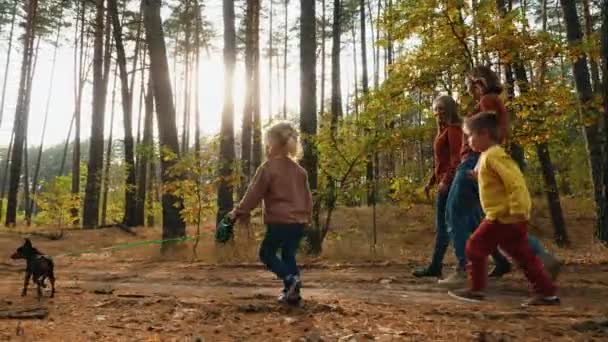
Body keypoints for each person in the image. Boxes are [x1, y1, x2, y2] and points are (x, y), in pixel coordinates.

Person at [440, 65, 561, 286]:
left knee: (454, 213)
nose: (469, 92)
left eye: (470, 87)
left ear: (479, 84)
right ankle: (542, 257)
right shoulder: (494, 101)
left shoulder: (487, 102)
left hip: (474, 160)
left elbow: (488, 131)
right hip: (481, 160)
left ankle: (463, 268)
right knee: (489, 221)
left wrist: (477, 161)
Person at [448, 112, 560, 306]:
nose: (468, 141)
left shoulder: (494, 155)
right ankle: (546, 293)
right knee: (523, 256)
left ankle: (476, 289)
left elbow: (515, 182)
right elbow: (492, 176)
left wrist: (518, 209)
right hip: (507, 218)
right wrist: (478, 176)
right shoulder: (487, 156)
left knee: (474, 247)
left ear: (484, 134)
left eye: (471, 136)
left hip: (502, 216)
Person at [228, 121, 313, 306]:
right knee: (288, 254)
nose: (267, 146)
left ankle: (290, 280)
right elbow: (308, 198)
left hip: (280, 221)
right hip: (299, 221)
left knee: (266, 254)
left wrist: (238, 212)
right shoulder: (300, 171)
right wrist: (307, 217)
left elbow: (253, 194)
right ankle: (293, 294)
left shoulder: (268, 168)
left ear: (273, 143)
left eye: (268, 142)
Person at [413, 96, 462, 278]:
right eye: (436, 109)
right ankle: (500, 261)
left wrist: (446, 181)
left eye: (442, 108)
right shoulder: (442, 131)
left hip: (452, 185)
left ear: (450, 109)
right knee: (471, 224)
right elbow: (440, 163)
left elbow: (456, 159)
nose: (438, 112)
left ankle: (437, 265)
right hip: (444, 183)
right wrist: (430, 181)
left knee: (446, 226)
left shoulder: (453, 130)